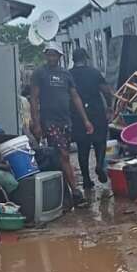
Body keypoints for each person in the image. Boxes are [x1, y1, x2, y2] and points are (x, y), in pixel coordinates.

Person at [30, 44, 93, 206]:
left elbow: (75, 97)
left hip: (65, 121)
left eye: (54, 55)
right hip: (49, 121)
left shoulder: (66, 74)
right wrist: (36, 123)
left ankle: (63, 195)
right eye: (49, 55)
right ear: (46, 56)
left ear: (60, 56)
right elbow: (34, 98)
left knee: (59, 157)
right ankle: (76, 192)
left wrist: (85, 120)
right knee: (64, 155)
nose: (51, 58)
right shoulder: (40, 73)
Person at [70, 48, 114, 191]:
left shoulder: (69, 75)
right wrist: (109, 106)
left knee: (82, 147)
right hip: (96, 112)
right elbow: (106, 91)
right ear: (86, 58)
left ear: (73, 59)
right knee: (100, 141)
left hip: (78, 115)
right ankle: (100, 165)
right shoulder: (94, 73)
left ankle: (87, 180)